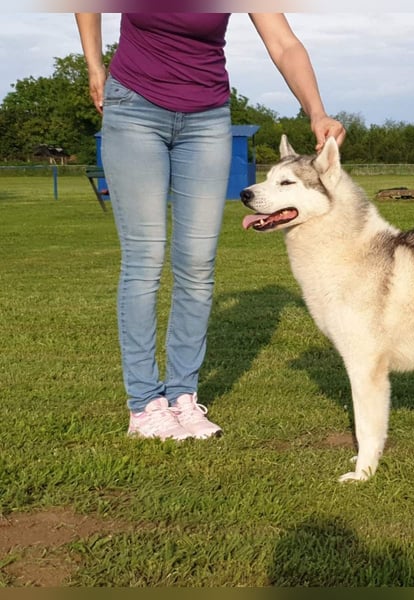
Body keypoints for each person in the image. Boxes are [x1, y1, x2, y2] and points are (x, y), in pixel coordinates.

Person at [75, 13, 346, 441]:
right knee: (146, 258)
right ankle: (145, 405)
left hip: (206, 120)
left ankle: (183, 397)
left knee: (198, 264)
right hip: (135, 109)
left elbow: (283, 43)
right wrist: (94, 65)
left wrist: (317, 111)